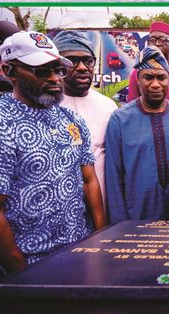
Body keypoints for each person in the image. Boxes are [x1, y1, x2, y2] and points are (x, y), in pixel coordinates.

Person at [0, 31, 106, 278]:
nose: (55, 78)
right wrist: (21, 274)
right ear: (9, 71)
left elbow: (89, 180)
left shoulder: (71, 120)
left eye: (58, 69)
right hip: (29, 264)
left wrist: (99, 241)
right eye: (41, 71)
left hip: (79, 255)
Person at [104, 47, 169, 222]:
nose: (155, 84)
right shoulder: (120, 120)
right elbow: (113, 178)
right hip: (135, 219)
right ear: (138, 80)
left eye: (161, 77)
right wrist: (120, 226)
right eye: (148, 77)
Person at [56, 30, 117, 201]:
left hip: (104, 205)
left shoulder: (108, 106)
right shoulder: (45, 107)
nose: (82, 67)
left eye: (88, 61)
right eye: (73, 61)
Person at [126, 22, 169, 102]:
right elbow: (133, 105)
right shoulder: (138, 72)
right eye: (152, 40)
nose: (157, 44)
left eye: (162, 40)